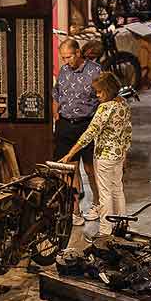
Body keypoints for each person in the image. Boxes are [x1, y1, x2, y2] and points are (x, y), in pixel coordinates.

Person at [59, 70, 131, 223]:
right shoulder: (123, 103)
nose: (97, 95)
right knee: (118, 190)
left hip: (105, 156)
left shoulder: (105, 108)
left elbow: (89, 134)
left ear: (108, 90)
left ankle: (106, 230)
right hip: (117, 156)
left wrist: (70, 153)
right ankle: (122, 225)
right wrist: (124, 154)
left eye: (99, 92)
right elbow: (127, 132)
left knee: (105, 195)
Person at [51, 35, 102, 215]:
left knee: (89, 168)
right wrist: (56, 114)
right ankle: (74, 211)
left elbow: (103, 98)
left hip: (86, 125)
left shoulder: (95, 71)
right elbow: (56, 94)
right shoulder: (64, 71)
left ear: (78, 52)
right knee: (68, 169)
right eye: (63, 58)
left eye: (68, 57)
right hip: (65, 125)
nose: (65, 61)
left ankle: (97, 202)